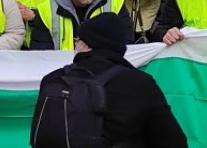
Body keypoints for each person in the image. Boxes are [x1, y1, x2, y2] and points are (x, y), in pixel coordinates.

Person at [31, 13, 187, 148]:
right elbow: (173, 141)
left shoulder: (52, 79)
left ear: (84, 44)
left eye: (78, 40)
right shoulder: (139, 84)